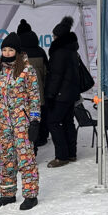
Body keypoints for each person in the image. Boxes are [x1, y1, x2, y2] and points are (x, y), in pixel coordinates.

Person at [0, 33, 41, 210]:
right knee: (6, 159)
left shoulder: (27, 70)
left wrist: (35, 120)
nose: (7, 53)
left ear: (17, 51)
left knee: (26, 159)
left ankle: (30, 195)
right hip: (2, 123)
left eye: (11, 50)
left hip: (22, 122)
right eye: (4, 50)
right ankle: (7, 194)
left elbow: (34, 96)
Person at [45, 16, 82, 167]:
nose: (53, 38)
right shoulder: (72, 50)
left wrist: (50, 95)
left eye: (54, 36)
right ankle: (71, 153)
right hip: (71, 93)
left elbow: (56, 76)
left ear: (59, 37)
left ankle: (61, 156)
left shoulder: (59, 52)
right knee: (68, 122)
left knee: (53, 122)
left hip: (61, 94)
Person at [16, 19, 49, 150]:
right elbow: (46, 72)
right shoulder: (40, 51)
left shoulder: (18, 53)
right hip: (39, 90)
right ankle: (42, 137)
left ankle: (27, 138)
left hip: (22, 92)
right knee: (40, 114)